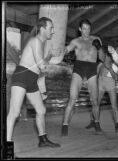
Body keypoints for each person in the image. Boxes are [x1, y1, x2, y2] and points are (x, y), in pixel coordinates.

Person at [6, 17, 60, 148]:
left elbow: (39, 65)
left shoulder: (40, 43)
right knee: (14, 112)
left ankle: (43, 140)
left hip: (31, 79)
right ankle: (6, 146)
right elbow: (42, 66)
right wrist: (51, 57)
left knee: (41, 110)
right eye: (50, 28)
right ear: (42, 29)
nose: (53, 31)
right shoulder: (35, 41)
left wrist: (50, 56)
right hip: (22, 76)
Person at [61, 19, 102, 136]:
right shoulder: (76, 41)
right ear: (80, 29)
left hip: (92, 69)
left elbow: (102, 57)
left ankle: (97, 123)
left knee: (94, 101)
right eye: (84, 29)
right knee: (72, 99)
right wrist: (61, 50)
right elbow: (67, 49)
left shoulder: (96, 39)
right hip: (79, 68)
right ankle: (65, 125)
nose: (86, 31)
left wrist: (99, 48)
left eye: (88, 28)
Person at [85, 39, 118, 133]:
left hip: (111, 83)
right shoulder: (105, 58)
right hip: (100, 81)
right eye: (117, 50)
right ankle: (94, 122)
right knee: (95, 102)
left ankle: (117, 125)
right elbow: (98, 67)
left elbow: (116, 77)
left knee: (114, 106)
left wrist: (109, 67)